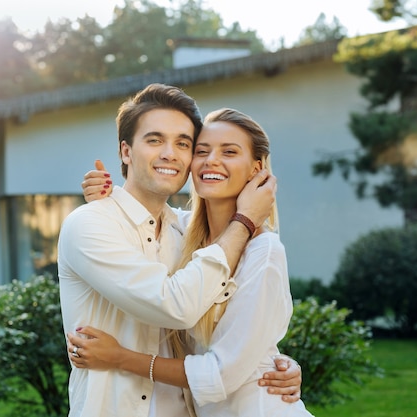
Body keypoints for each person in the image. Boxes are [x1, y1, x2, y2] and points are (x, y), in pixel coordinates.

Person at [58, 83, 301, 417]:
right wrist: (244, 220)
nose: (170, 153)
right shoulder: (91, 224)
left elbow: (225, 343)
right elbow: (175, 305)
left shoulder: (186, 234)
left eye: (184, 144)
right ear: (126, 152)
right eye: (155, 140)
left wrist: (270, 361)